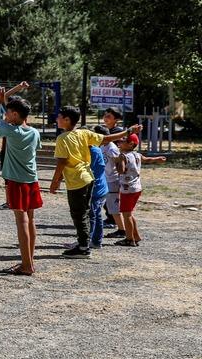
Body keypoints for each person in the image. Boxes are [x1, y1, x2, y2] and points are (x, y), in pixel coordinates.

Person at [48, 106, 139, 257]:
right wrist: (128, 132)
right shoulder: (83, 133)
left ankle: (83, 247)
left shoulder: (62, 138)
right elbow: (107, 138)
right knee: (84, 213)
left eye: (59, 117)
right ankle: (84, 243)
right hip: (88, 178)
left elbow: (62, 162)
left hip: (77, 180)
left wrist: (55, 181)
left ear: (67, 120)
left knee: (79, 214)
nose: (56, 119)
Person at [0, 83, 41, 275]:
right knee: (30, 221)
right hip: (32, 180)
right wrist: (6, 102)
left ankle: (26, 265)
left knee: (22, 222)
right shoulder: (34, 132)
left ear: (15, 115)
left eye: (7, 113)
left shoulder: (11, 131)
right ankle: (29, 262)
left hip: (16, 182)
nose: (5, 116)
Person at [113, 133, 167, 247]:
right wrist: (158, 159)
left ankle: (129, 239)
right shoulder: (137, 155)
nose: (119, 142)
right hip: (137, 188)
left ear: (130, 144)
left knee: (126, 215)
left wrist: (116, 161)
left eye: (123, 141)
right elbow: (147, 159)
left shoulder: (123, 156)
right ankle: (136, 236)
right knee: (129, 213)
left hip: (127, 189)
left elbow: (121, 170)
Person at [88, 130, 110, 250]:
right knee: (96, 214)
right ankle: (96, 241)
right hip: (100, 187)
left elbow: (91, 170)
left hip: (96, 188)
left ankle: (88, 241)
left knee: (92, 215)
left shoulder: (93, 150)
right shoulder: (95, 149)